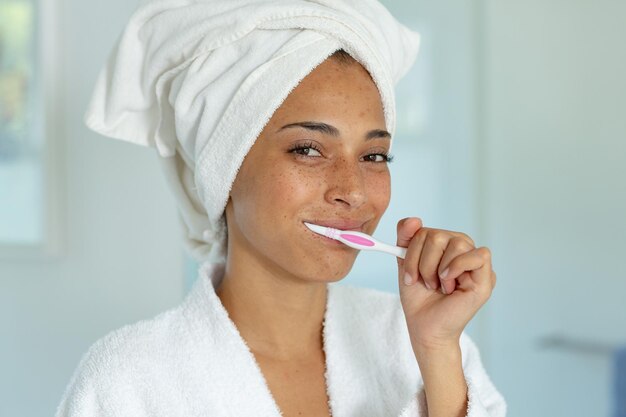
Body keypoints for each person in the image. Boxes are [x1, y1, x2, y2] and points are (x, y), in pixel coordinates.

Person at [56, 1, 506, 416]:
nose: (353, 191)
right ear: (225, 171)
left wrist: (437, 351)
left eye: (374, 156)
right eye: (308, 149)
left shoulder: (420, 340)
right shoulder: (127, 382)